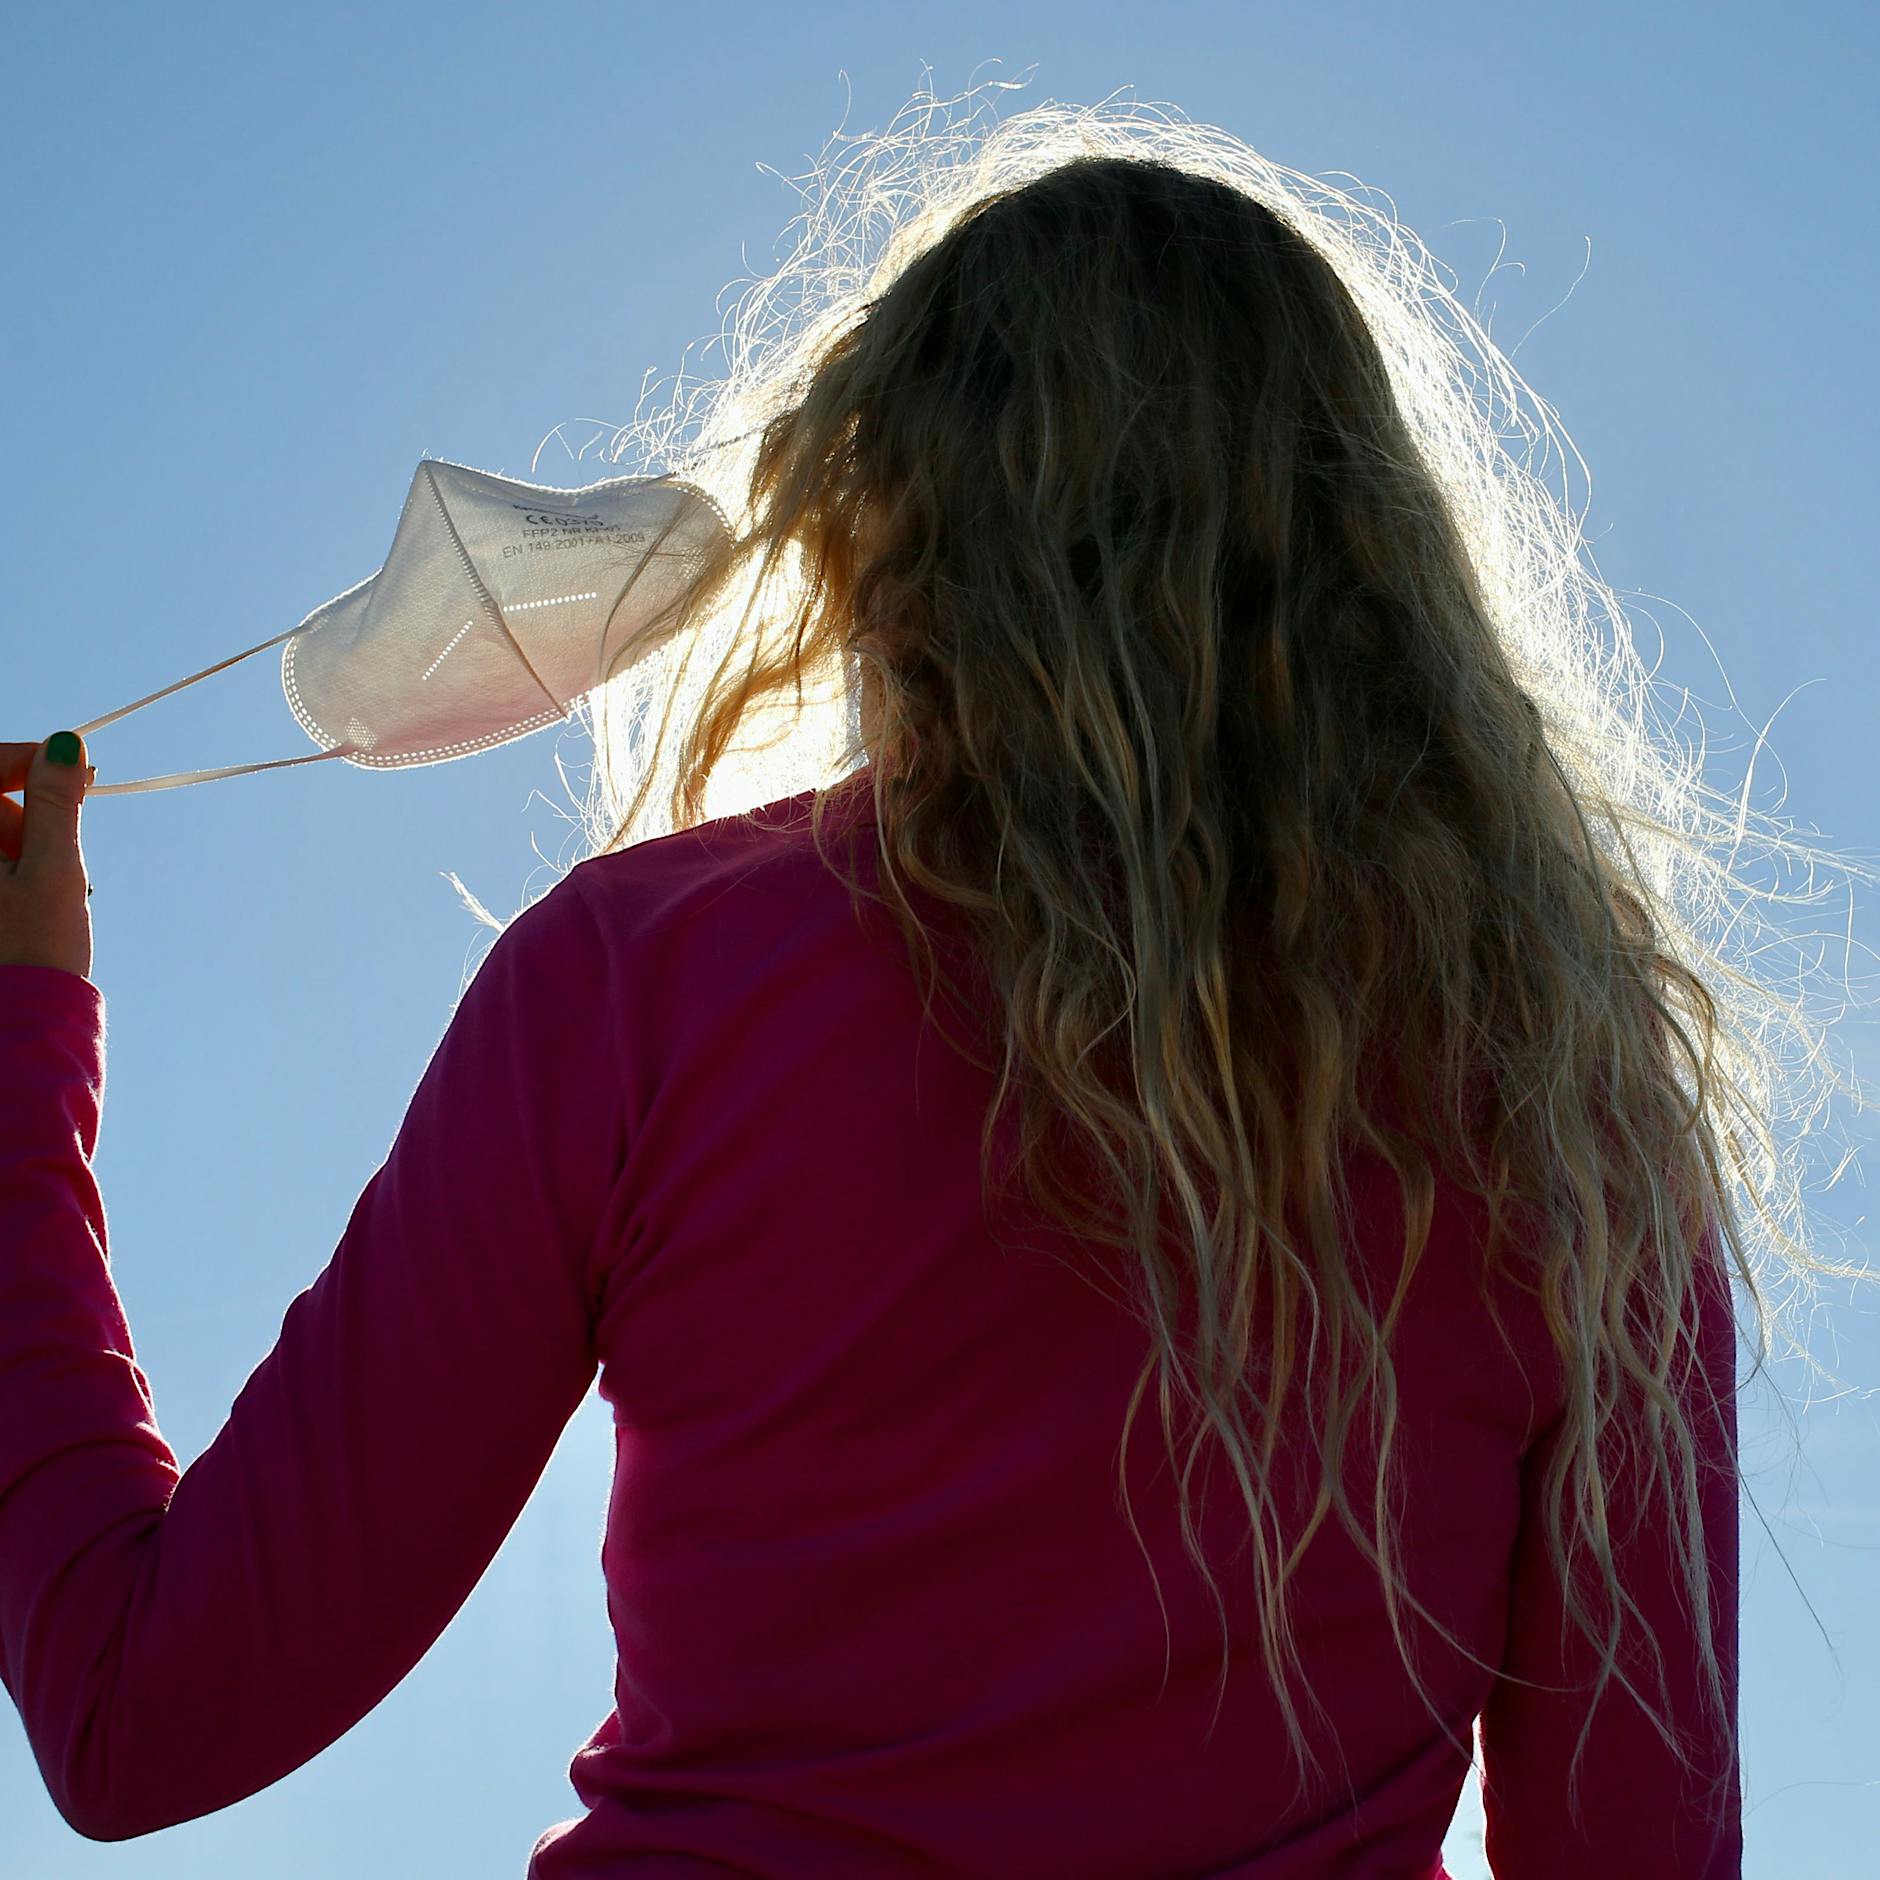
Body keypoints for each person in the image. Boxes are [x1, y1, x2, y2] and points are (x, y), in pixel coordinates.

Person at [7, 100, 1815, 1878]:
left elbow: (140, 1710)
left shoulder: (649, 979)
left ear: (872, 523)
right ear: (1369, 567)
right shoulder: (1568, 1114)